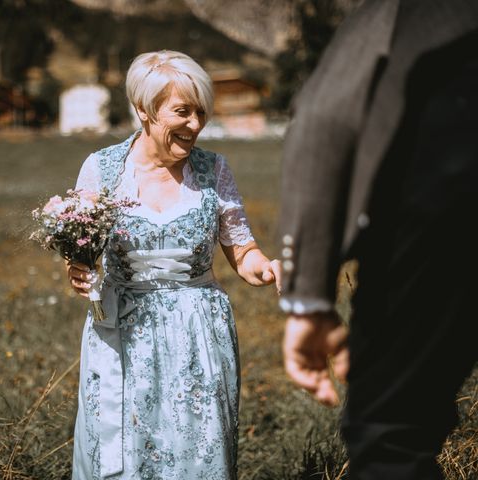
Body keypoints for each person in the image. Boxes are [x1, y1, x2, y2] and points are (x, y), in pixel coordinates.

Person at [278, 0, 478, 478]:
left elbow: (324, 117)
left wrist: (307, 298)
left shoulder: (409, 10)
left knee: (392, 431)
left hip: (446, 189)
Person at [66, 50, 281, 479]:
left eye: (201, 112)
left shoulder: (214, 170)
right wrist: (78, 270)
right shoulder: (102, 169)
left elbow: (242, 251)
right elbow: (81, 249)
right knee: (123, 457)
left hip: (198, 336)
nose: (195, 125)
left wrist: (267, 268)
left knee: (196, 458)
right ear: (145, 110)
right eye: (182, 112)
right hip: (120, 338)